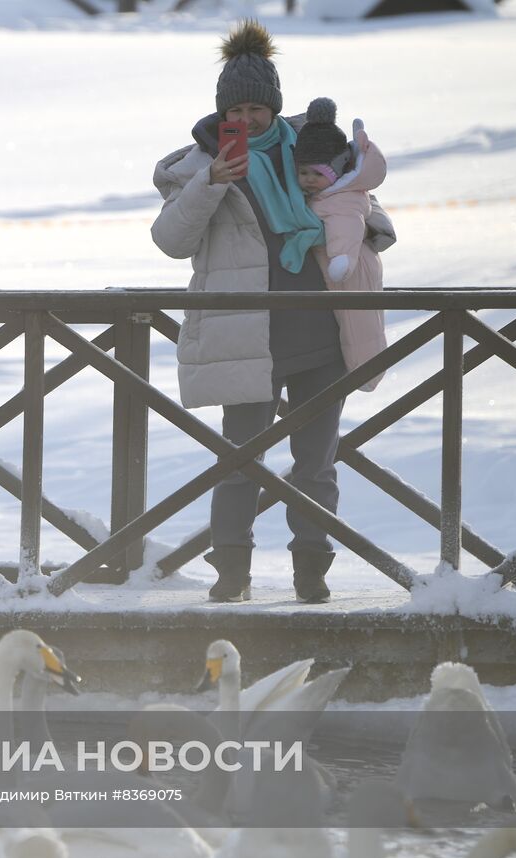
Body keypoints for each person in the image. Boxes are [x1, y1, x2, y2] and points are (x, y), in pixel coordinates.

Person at [149, 20, 395, 604]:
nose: (250, 119)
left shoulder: (313, 146)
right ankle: (230, 574)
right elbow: (170, 239)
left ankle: (312, 573)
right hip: (247, 337)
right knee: (238, 461)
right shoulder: (194, 167)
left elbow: (373, 217)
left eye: (260, 107)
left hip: (320, 332)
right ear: (222, 111)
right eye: (239, 108)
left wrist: (349, 225)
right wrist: (211, 182)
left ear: (276, 107)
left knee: (316, 464)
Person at [293, 96, 389, 391]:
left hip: (350, 268)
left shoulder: (343, 197)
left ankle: (367, 374)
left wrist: (341, 260)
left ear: (335, 170)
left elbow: (347, 226)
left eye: (317, 173)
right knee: (356, 323)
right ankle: (366, 371)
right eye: (303, 172)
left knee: (357, 324)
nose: (309, 180)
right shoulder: (327, 194)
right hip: (345, 264)